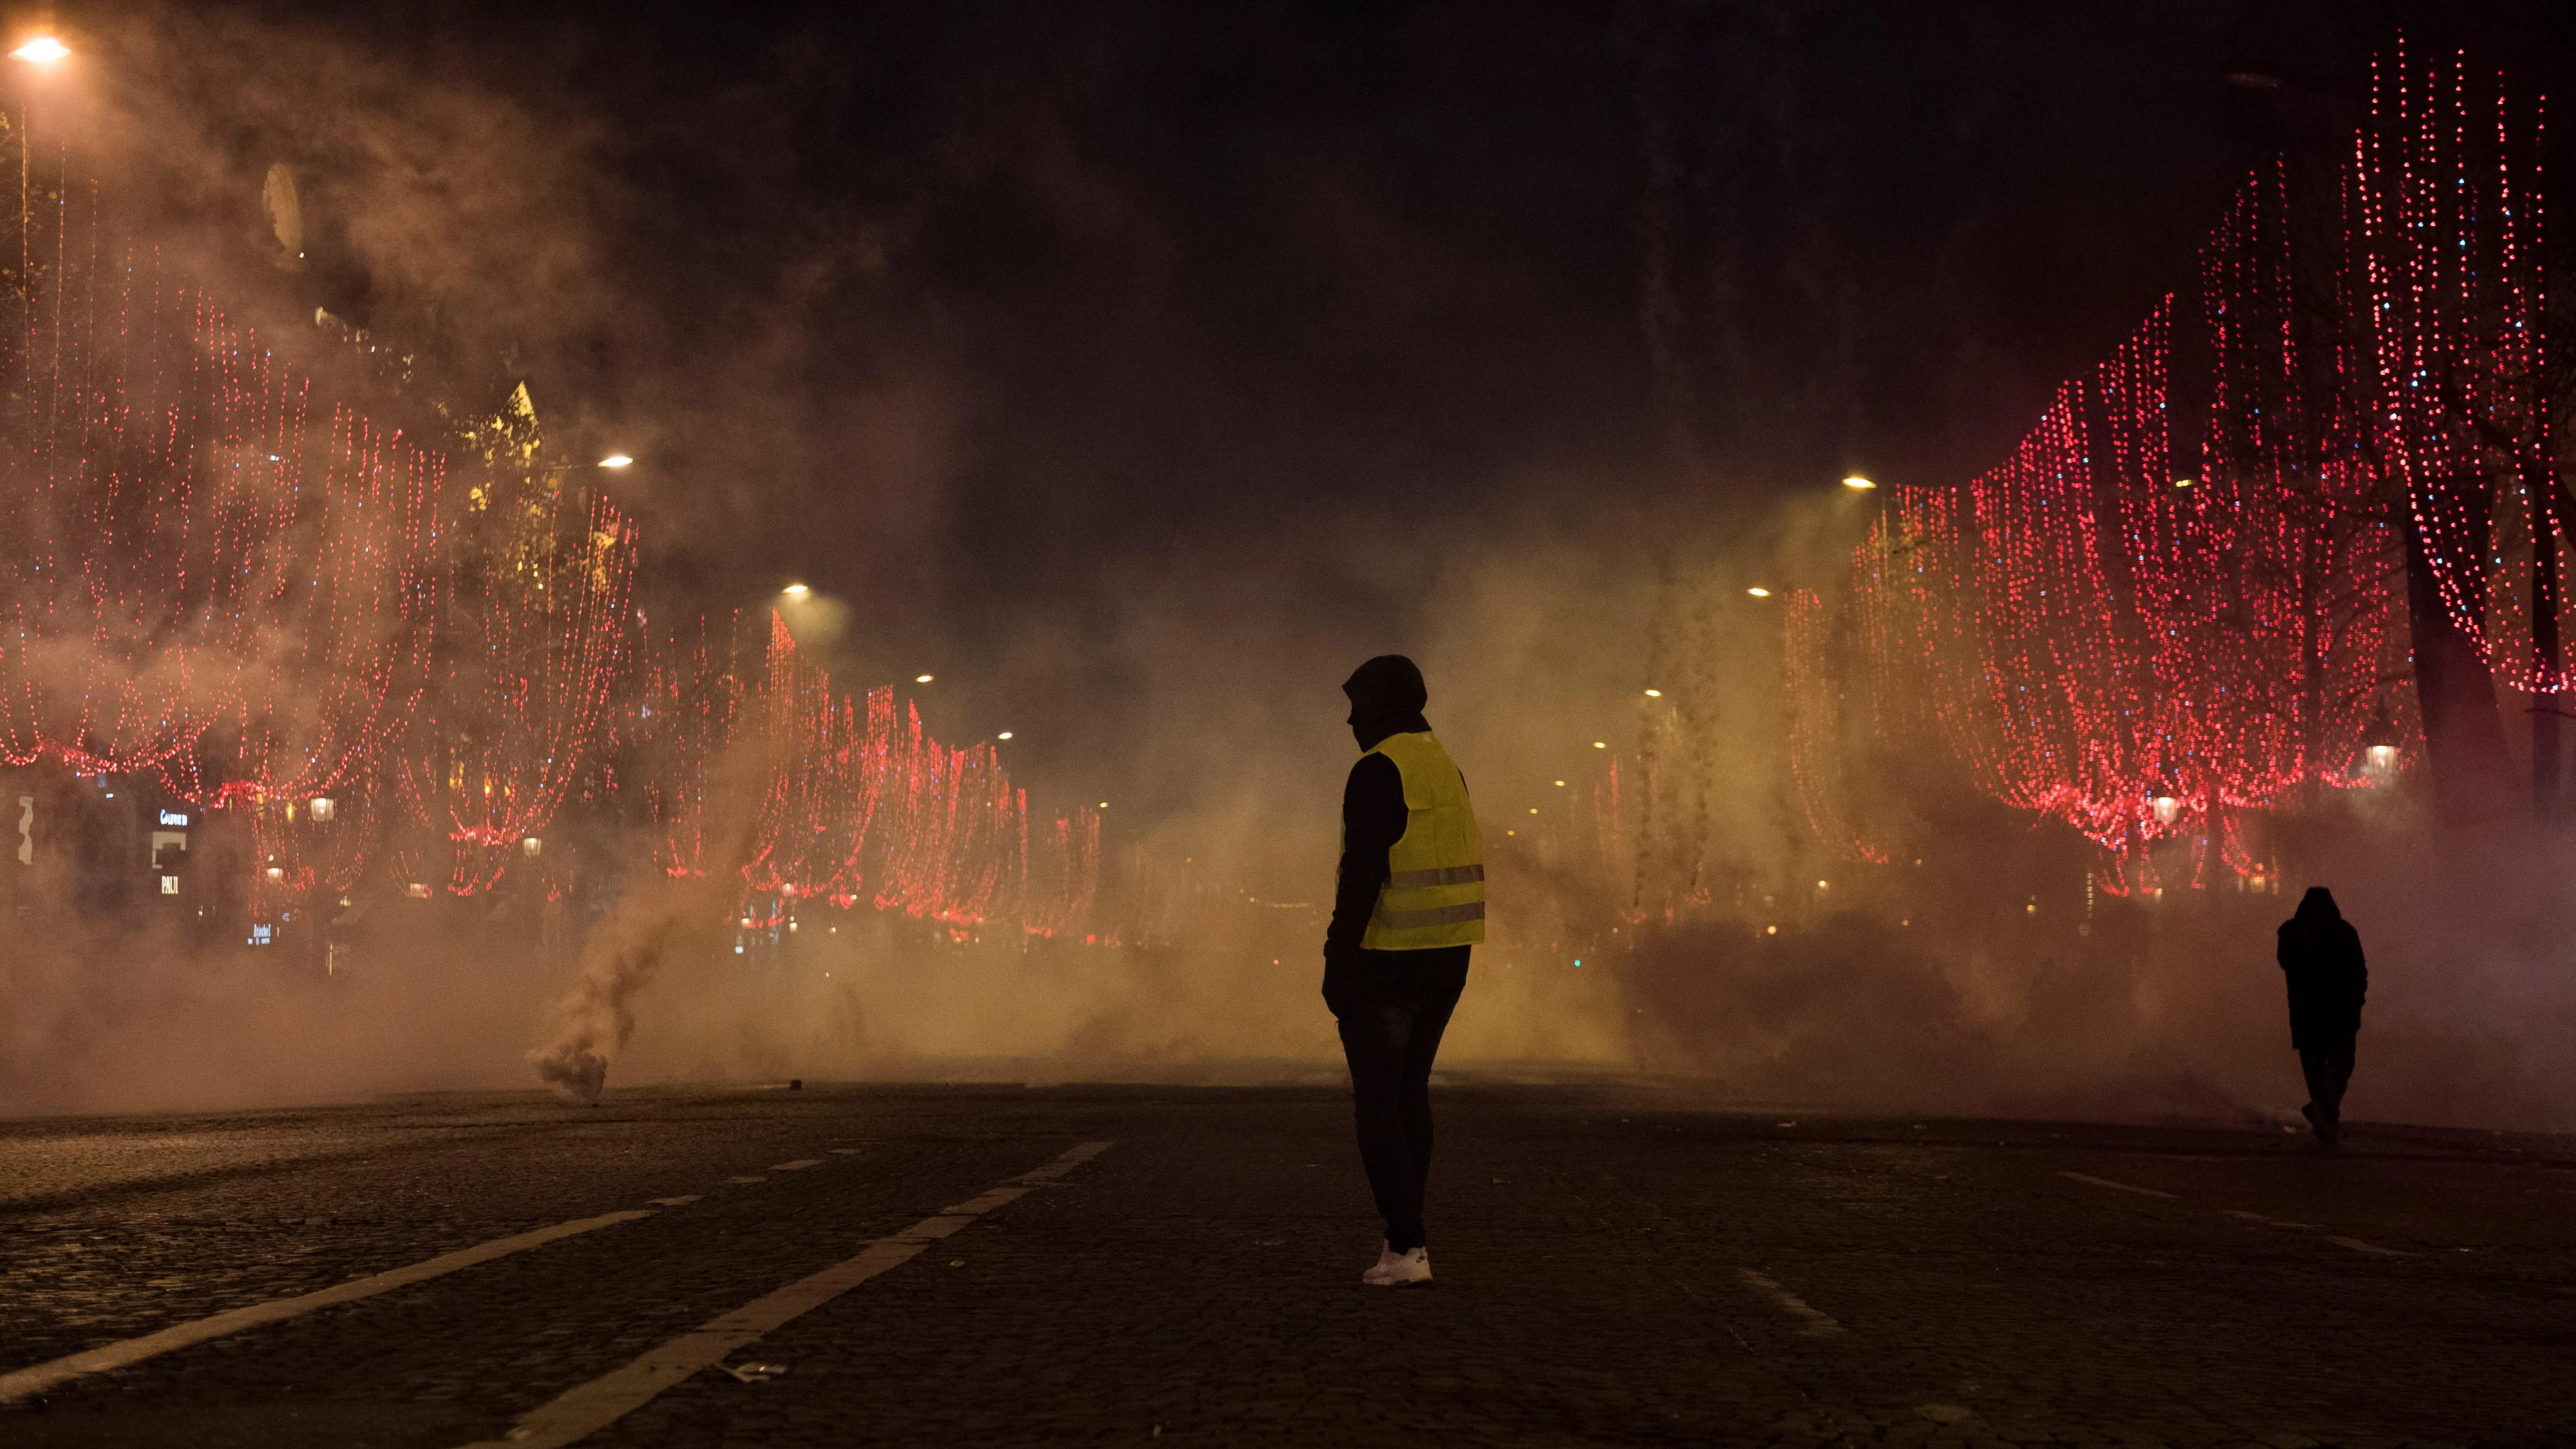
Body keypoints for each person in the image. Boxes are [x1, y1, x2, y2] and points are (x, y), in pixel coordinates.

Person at [1324, 654, 1485, 1287]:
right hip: (1448, 960)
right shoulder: (1449, 772)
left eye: (1357, 705)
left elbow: (1362, 877)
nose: (1349, 719)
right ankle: (1407, 1239)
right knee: (1409, 1095)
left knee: (1378, 1106)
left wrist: (1338, 959)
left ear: (1385, 706)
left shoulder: (1377, 771)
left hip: (1386, 961)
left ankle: (1406, 1244)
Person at [2276, 886, 2367, 1146]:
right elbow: (2359, 972)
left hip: (2305, 1011)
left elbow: (2285, 963)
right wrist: (2357, 1002)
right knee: (2342, 1064)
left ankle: (2325, 1118)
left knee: (2314, 1068)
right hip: (2340, 1011)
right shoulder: (2345, 932)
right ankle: (2326, 1115)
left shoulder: (2291, 932)